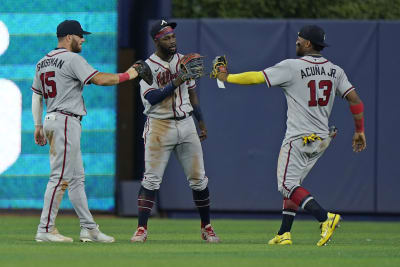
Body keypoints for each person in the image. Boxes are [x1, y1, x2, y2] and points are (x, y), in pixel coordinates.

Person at [211, 25, 366, 246]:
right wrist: (359, 130)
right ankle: (284, 233)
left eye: (299, 40)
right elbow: (355, 100)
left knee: (286, 185)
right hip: (322, 139)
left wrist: (227, 77)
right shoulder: (335, 70)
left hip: (300, 138)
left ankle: (325, 218)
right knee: (295, 185)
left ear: (308, 44)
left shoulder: (292, 67)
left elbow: (256, 77)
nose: (296, 42)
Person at [32, 20, 150, 242]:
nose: (83, 39)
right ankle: (45, 229)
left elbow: (36, 95)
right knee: (60, 177)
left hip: (53, 119)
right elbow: (100, 79)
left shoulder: (42, 62)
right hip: (66, 120)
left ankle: (89, 228)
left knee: (76, 179)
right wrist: (131, 74)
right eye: (80, 36)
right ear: (69, 37)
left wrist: (38, 124)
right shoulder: (72, 58)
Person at [130, 20, 219, 243]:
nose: (172, 41)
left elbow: (192, 94)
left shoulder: (183, 61)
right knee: (151, 180)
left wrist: (201, 122)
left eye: (173, 36)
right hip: (159, 124)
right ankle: (142, 229)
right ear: (156, 40)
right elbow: (152, 97)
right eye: (167, 37)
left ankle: (206, 227)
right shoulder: (146, 66)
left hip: (186, 123)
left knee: (199, 179)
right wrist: (179, 78)